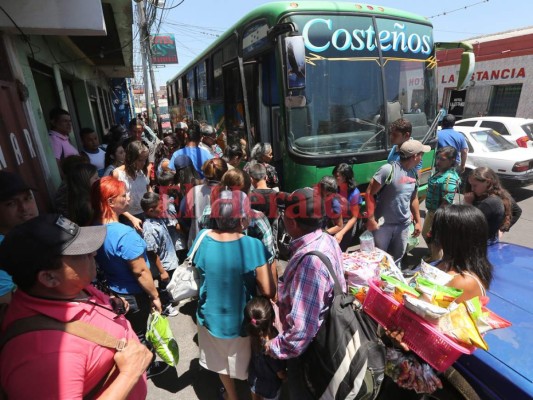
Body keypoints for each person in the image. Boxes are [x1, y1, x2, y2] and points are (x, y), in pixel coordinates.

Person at [0, 214, 151, 399]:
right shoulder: (43, 357)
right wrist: (129, 374)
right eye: (82, 253)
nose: (94, 253)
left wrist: (111, 304)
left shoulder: (69, 287)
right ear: (49, 278)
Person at [190, 190, 275, 400]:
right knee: (250, 364)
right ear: (241, 218)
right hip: (243, 321)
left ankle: (231, 396)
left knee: (219, 363)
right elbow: (267, 289)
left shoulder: (202, 238)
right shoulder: (252, 245)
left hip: (208, 317)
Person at [265, 187, 346, 400]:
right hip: (327, 335)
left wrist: (272, 347)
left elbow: (301, 332)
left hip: (311, 352)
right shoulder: (325, 239)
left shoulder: (310, 263)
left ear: (292, 223)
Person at [91, 177, 168, 380]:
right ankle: (146, 368)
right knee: (141, 332)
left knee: (130, 331)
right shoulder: (125, 234)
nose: (128, 198)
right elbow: (141, 272)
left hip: (115, 290)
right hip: (133, 293)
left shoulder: (94, 228)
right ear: (110, 202)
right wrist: (155, 296)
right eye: (123, 195)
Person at [366, 140, 427, 264]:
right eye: (421, 154)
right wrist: (371, 219)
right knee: (379, 260)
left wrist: (418, 222)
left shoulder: (414, 173)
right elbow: (369, 194)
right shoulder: (388, 170)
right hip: (383, 225)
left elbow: (413, 198)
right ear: (415, 156)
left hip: (403, 225)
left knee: (397, 259)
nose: (422, 157)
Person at [431, 204, 494, 303]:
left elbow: (429, 312)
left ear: (453, 238)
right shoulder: (448, 265)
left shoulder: (462, 281)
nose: (431, 233)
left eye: (439, 231)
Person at [0, 171, 39, 304]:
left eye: (27, 198)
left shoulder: (29, 233)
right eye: (11, 203)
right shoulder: (3, 248)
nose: (24, 208)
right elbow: (6, 306)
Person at [140, 192, 179, 317]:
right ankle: (166, 306)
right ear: (151, 210)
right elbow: (152, 252)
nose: (162, 208)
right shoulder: (149, 228)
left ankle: (169, 298)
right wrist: (162, 271)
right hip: (164, 264)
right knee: (164, 286)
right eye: (160, 207)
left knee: (169, 284)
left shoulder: (158, 219)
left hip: (170, 260)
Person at [422, 146, 461, 261]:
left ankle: (437, 263)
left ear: (452, 160)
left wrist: (437, 222)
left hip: (439, 214)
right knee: (428, 236)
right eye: (438, 158)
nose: (438, 162)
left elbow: (446, 203)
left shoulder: (449, 178)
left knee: (435, 241)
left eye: (442, 159)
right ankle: (434, 256)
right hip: (432, 212)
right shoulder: (441, 172)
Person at [463, 167, 521, 244]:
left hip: (482, 242)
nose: (472, 189)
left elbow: (470, 223)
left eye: (475, 185)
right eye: (471, 185)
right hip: (488, 239)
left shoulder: (490, 202)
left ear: (487, 182)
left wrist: (468, 204)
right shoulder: (480, 195)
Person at [244, 296, 287, 400]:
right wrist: (286, 377)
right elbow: (280, 373)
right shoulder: (273, 349)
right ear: (272, 320)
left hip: (254, 379)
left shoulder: (252, 337)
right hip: (270, 388)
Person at [181, 157, 228, 247]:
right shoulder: (229, 193)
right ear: (225, 173)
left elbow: (183, 215)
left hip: (198, 245)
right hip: (222, 245)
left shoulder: (194, 191)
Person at [113, 140, 152, 232]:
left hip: (145, 213)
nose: (143, 163)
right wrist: (131, 218)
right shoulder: (118, 174)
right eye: (140, 160)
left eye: (145, 159)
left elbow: (147, 187)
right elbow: (115, 202)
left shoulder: (143, 171)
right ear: (131, 158)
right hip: (128, 217)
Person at [332, 163, 362, 251]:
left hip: (346, 225)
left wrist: (341, 233)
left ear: (345, 177)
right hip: (334, 222)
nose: (333, 179)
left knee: (339, 251)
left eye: (336, 176)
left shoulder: (354, 194)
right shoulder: (335, 188)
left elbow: (354, 217)